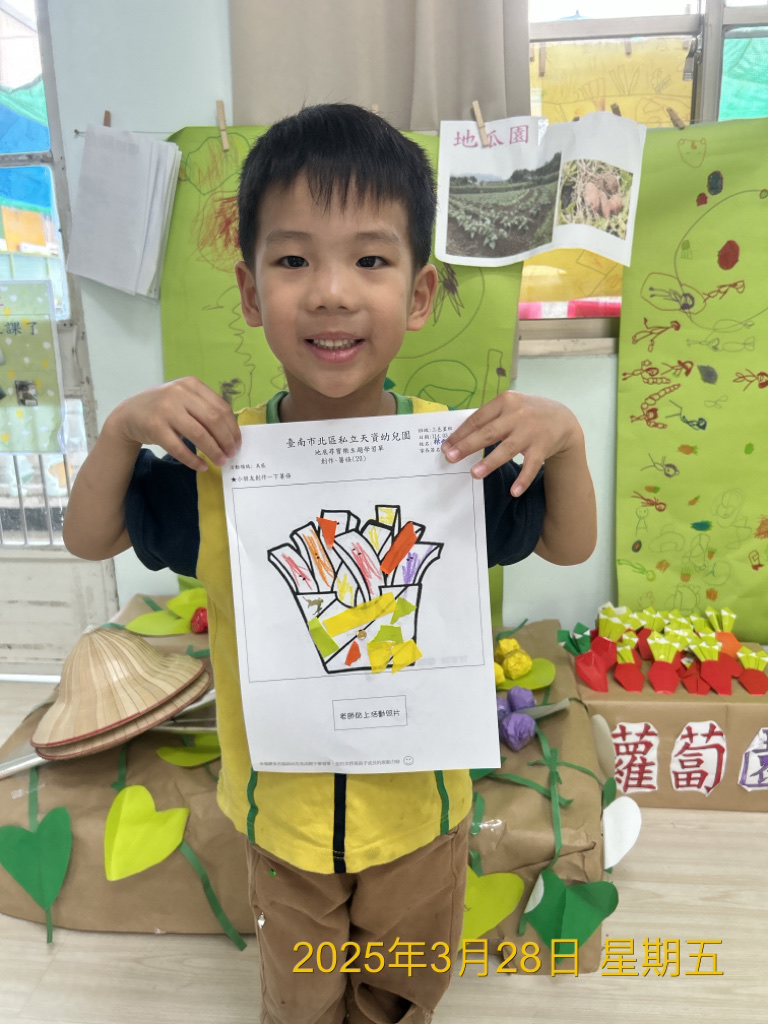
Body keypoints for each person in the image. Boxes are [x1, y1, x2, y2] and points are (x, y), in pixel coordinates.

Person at [63, 103, 596, 1024]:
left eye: (371, 260)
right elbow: (90, 537)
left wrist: (569, 438)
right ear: (249, 291)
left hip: (421, 811)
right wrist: (120, 431)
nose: (333, 293)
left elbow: (566, 542)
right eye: (294, 260)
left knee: (403, 985)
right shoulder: (220, 464)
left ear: (419, 294)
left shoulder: (456, 457)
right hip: (285, 820)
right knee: (302, 994)